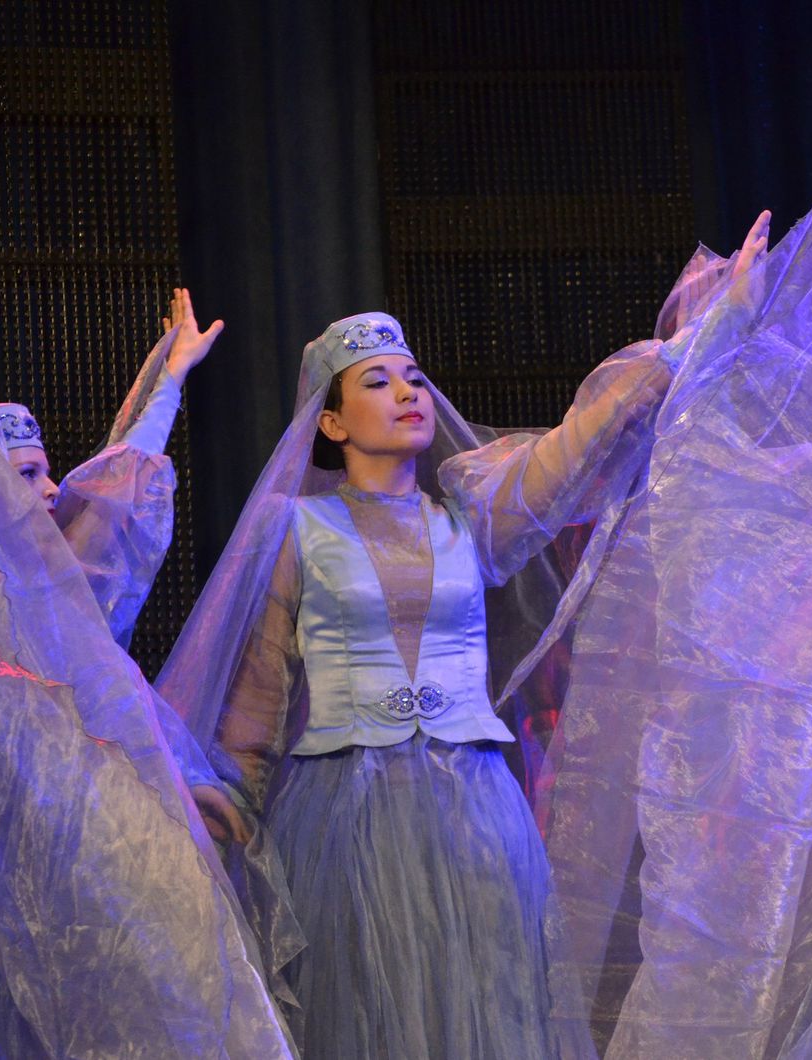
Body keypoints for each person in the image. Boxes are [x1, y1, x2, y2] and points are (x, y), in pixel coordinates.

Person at [155, 263, 762, 1057]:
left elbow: (578, 447)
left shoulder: (469, 518)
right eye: (377, 382)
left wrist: (690, 341)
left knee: (489, 1015)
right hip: (346, 818)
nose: (408, 393)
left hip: (474, 814)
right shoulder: (296, 529)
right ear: (332, 423)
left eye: (414, 378)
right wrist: (222, 805)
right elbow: (258, 696)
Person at [0, 385, 293, 1059]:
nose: (52, 491)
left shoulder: (61, 600)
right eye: (27, 475)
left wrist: (171, 380)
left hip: (77, 853)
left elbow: (115, 497)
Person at [0, 288, 223, 646]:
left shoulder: (54, 572)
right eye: (27, 474)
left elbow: (116, 486)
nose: (52, 488)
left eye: (45, 473)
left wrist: (174, 371)